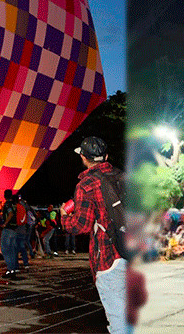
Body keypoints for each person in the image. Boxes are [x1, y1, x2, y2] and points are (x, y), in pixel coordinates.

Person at [61, 136, 126, 334]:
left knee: (118, 318)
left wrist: (64, 216)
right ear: (106, 156)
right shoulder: (125, 177)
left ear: (83, 157)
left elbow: (81, 225)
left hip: (109, 258)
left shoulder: (86, 184)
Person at [1, 190, 20, 279]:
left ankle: (10, 268)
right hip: (14, 229)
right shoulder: (14, 204)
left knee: (5, 249)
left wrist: (5, 223)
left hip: (8, 229)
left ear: (5, 195)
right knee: (12, 250)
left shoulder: (7, 204)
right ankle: (12, 270)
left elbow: (10, 214)